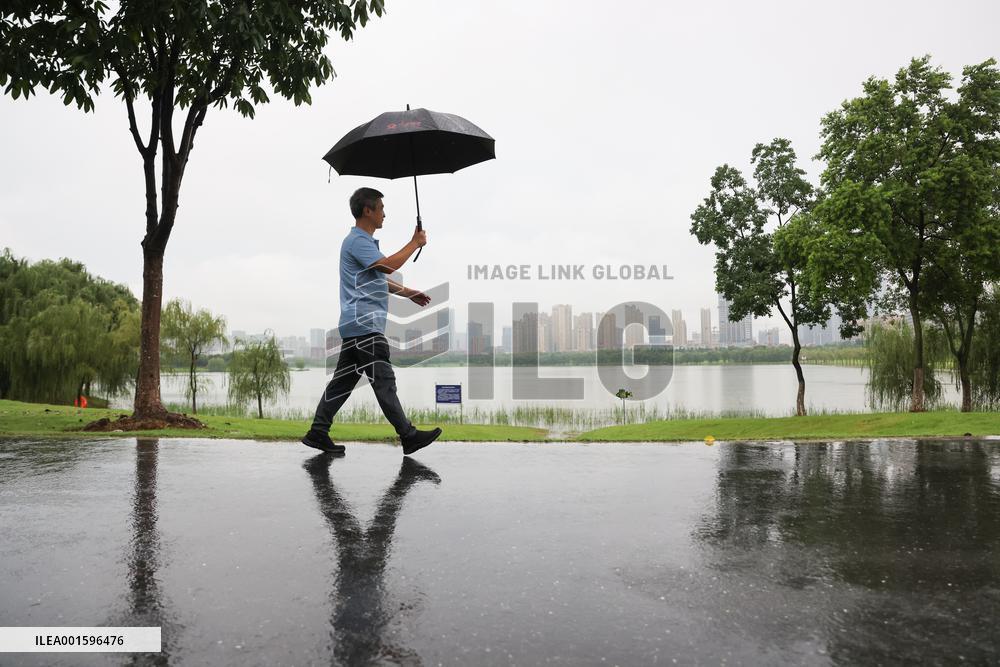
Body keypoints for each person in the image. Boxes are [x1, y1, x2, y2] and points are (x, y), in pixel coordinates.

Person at [302, 187, 442, 456]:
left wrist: (408, 292)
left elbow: (378, 277)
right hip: (367, 327)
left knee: (341, 384)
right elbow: (388, 266)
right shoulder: (358, 241)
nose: (384, 214)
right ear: (368, 210)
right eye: (381, 208)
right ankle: (409, 435)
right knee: (384, 381)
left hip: (356, 327)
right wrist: (415, 243)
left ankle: (318, 432)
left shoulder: (358, 243)